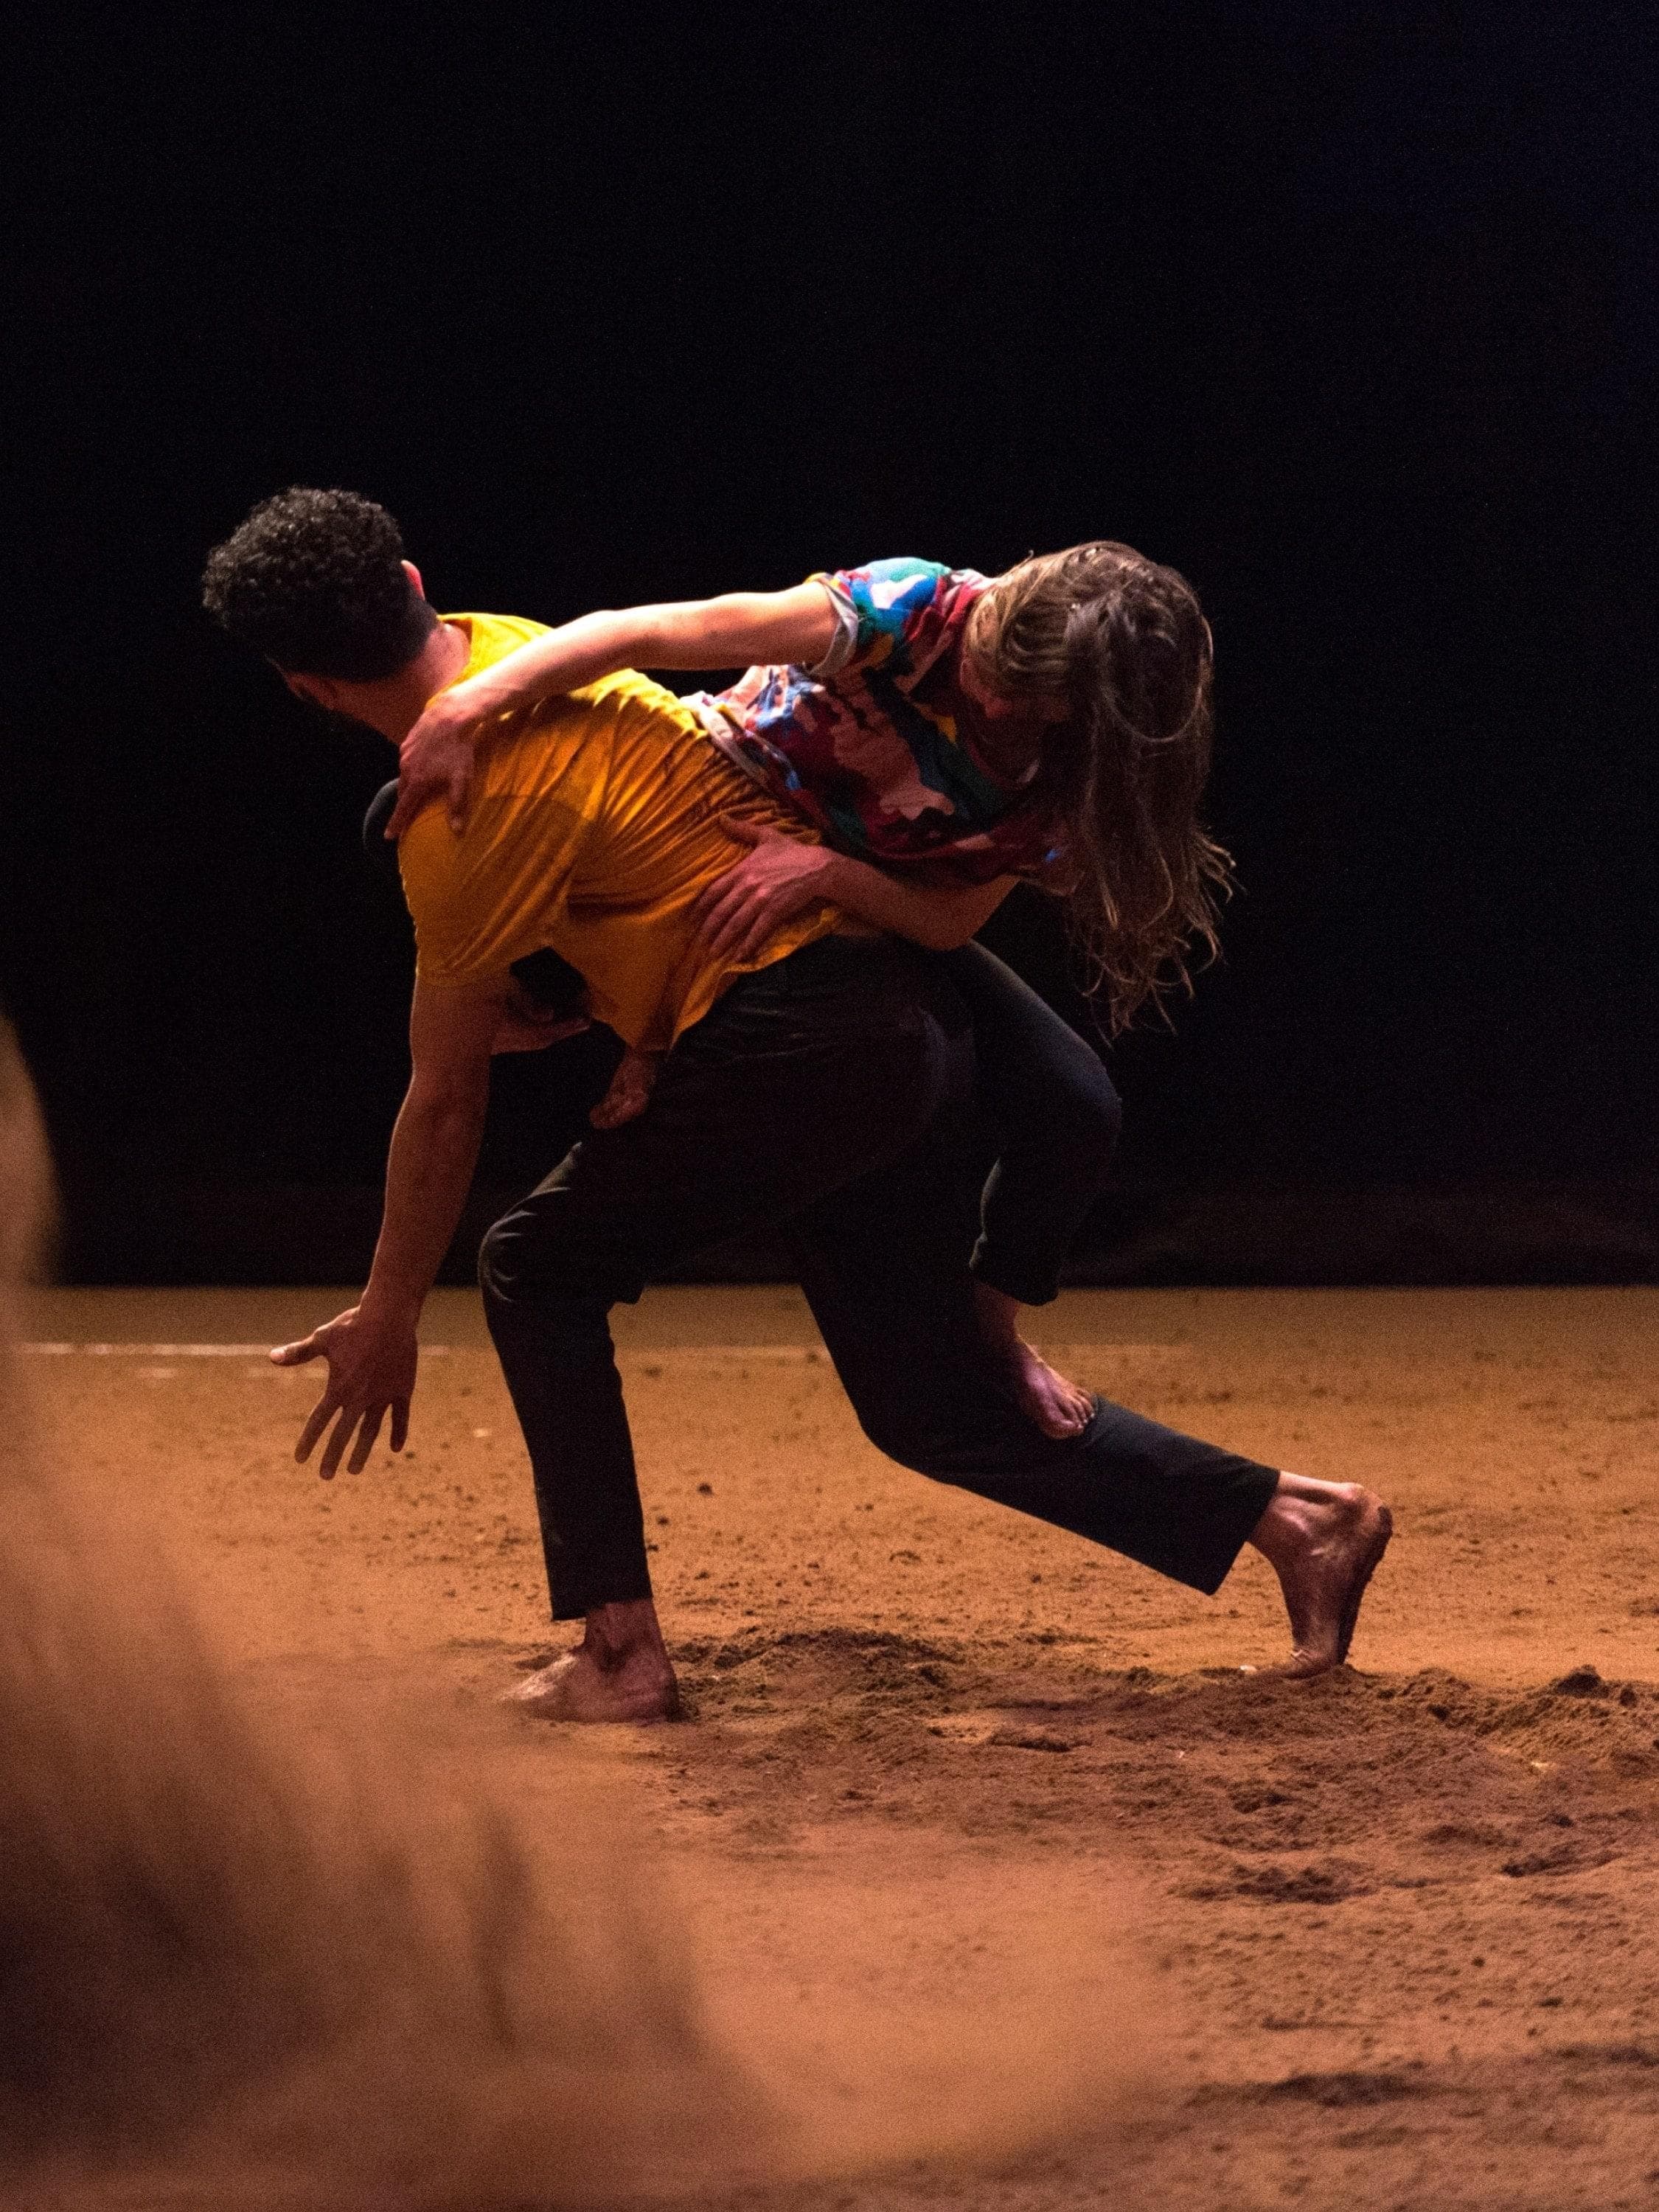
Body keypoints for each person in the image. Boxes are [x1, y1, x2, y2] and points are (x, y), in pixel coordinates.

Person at [201, 487, 1391, 1721]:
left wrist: (391, 1308)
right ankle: (1297, 1518)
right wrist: (617, 1020)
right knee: (927, 1408)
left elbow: (444, 1099)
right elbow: (647, 751)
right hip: (888, 1022)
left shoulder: (462, 813)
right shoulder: (526, 647)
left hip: (820, 1026)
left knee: (533, 1267)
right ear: (410, 585)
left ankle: (621, 1655)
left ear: (305, 685)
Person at [387, 546, 1225, 1436]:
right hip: (717, 810)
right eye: (992, 669)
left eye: (1025, 700)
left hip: (852, 893)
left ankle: (991, 1338)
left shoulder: (1066, 775)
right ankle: (606, 1017)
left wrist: (825, 874)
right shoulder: (914, 610)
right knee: (408, 829)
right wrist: (471, 701)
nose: (991, 699)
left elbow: (945, 924)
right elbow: (658, 629)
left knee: (1076, 1100)